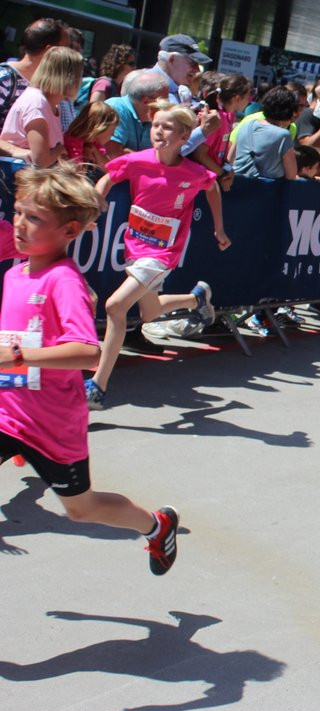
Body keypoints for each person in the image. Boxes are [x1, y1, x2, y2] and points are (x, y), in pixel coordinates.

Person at [1, 163, 179, 574]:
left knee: (82, 509)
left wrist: (18, 358)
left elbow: (86, 352)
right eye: (18, 212)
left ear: (69, 230)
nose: (20, 225)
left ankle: (156, 525)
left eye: (35, 218)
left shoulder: (63, 280)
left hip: (53, 427)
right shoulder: (16, 273)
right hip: (10, 416)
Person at [85, 102, 231, 410]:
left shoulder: (193, 172)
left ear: (183, 137)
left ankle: (98, 385)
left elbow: (213, 187)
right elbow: (109, 176)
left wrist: (219, 229)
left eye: (166, 128)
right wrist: (95, 203)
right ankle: (196, 299)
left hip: (163, 252)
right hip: (136, 246)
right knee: (148, 313)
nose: (158, 132)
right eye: (155, 126)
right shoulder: (138, 160)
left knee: (115, 306)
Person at [1, 47, 83, 167]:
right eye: (79, 74)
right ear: (69, 77)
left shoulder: (52, 104)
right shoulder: (37, 104)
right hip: (22, 180)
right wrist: (61, 149)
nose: (81, 80)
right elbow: (41, 160)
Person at [0, 18, 70, 135]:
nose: (70, 56)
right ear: (50, 51)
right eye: (66, 49)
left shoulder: (51, 88)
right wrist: (20, 152)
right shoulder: (5, 79)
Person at [230, 86, 298, 180]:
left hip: (237, 184)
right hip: (263, 191)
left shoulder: (247, 125)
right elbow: (291, 175)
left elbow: (230, 159)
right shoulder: (283, 135)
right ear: (288, 111)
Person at [103, 71, 170, 155]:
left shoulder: (152, 119)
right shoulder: (115, 108)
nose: (166, 105)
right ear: (146, 101)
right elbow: (112, 152)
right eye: (164, 101)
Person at [62, 100, 118, 178]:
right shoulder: (72, 141)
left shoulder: (93, 142)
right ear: (99, 129)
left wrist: (93, 149)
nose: (113, 134)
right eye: (112, 131)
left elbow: (109, 168)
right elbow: (78, 172)